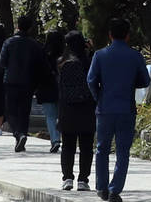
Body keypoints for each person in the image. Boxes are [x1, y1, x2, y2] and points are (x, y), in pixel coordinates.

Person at [87, 17, 150, 202]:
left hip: (105, 107)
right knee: (123, 151)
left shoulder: (100, 55)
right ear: (128, 36)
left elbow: (91, 80)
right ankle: (115, 189)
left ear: (110, 35)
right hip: (126, 108)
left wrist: (98, 96)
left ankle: (102, 187)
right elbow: (145, 81)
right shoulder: (135, 56)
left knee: (102, 149)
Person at [0, 16, 50, 153]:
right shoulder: (35, 44)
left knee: (10, 111)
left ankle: (18, 134)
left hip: (11, 80)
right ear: (30, 28)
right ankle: (21, 134)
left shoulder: (9, 42)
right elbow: (41, 64)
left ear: (17, 26)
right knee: (24, 111)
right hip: (29, 82)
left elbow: (2, 62)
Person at [57, 30, 97, 193]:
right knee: (86, 146)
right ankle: (83, 179)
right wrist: (91, 50)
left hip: (67, 108)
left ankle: (67, 177)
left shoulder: (62, 62)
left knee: (68, 145)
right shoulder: (89, 62)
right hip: (87, 107)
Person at [39, 30, 65, 151]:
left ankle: (55, 140)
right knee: (63, 115)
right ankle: (65, 138)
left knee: (50, 116)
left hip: (46, 87)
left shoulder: (43, 53)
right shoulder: (65, 54)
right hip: (64, 89)